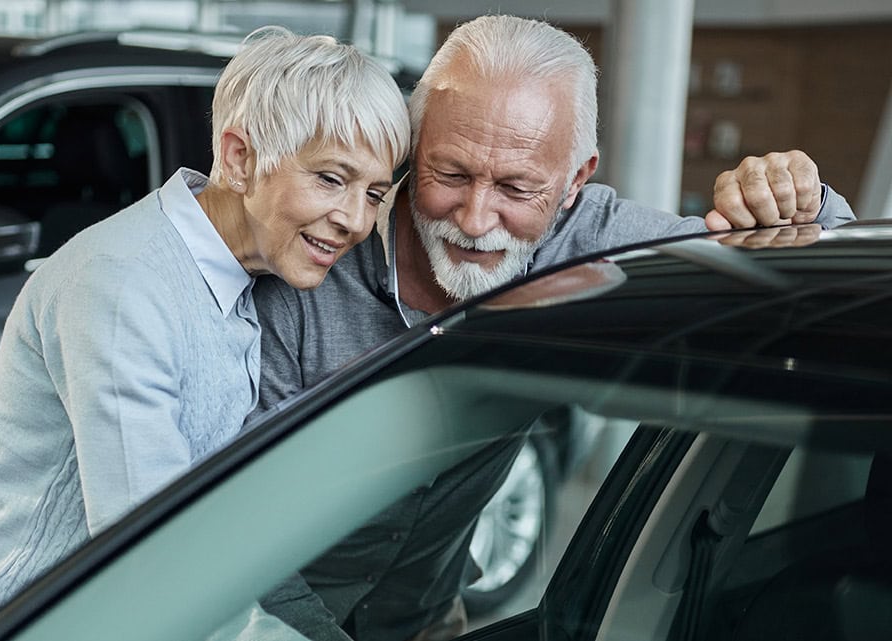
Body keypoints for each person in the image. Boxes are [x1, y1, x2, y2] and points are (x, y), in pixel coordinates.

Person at [252, 14, 856, 641]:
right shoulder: (309, 262)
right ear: (412, 145)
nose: (478, 218)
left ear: (575, 182)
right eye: (451, 174)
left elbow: (829, 273)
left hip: (424, 618)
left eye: (517, 187)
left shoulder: (584, 240)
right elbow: (239, 520)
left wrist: (797, 200)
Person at [0, 27, 411, 640]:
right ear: (238, 158)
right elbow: (152, 564)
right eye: (332, 180)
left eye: (374, 193)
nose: (356, 221)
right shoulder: (124, 286)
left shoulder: (244, 278)